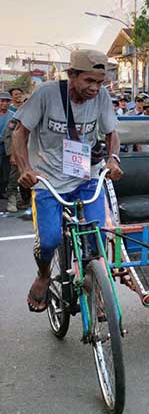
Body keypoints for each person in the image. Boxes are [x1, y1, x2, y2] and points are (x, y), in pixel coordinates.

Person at [11, 49, 123, 312]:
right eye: (89, 81)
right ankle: (43, 275)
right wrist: (25, 169)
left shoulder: (102, 96)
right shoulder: (46, 94)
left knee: (99, 235)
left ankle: (94, 282)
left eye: (100, 82)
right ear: (72, 75)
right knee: (49, 240)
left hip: (87, 175)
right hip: (48, 179)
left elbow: (111, 133)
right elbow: (19, 133)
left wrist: (114, 159)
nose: (95, 88)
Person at [0, 92, 12, 198]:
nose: (4, 103)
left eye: (7, 101)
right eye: (2, 100)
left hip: (6, 147)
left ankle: (2, 191)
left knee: (6, 171)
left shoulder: (12, 116)